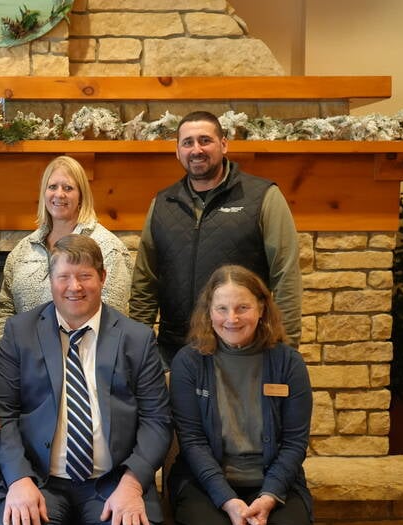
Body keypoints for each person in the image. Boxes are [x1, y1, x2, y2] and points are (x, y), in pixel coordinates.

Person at [0, 234, 172, 525]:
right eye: (64, 277)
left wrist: (133, 482)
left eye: (85, 276)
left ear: (102, 277)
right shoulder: (19, 333)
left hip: (114, 482)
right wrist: (19, 479)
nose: (74, 287)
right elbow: (0, 414)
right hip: (37, 480)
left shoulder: (136, 339)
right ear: (51, 280)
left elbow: (157, 420)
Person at [129, 111, 301, 369]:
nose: (196, 149)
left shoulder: (263, 196)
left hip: (244, 351)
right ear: (177, 151)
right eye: (187, 143)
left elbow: (285, 273)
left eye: (205, 140)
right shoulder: (162, 203)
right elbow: (146, 280)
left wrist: (285, 349)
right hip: (175, 353)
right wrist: (139, 347)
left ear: (224, 144)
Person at [168, 264, 312, 525]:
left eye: (242, 308)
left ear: (261, 309)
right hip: (204, 483)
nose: (231, 318)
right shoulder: (188, 362)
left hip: (276, 483)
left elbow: (295, 443)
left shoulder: (288, 363)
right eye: (221, 308)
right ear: (209, 312)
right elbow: (193, 442)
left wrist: (269, 497)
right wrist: (227, 500)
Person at [0, 155, 133, 343]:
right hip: (26, 361)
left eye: (68, 188)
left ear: (81, 196)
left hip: (85, 362)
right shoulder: (22, 251)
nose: (59, 194)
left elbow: (113, 317)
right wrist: (9, 354)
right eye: (52, 187)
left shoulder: (108, 248)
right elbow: (5, 309)